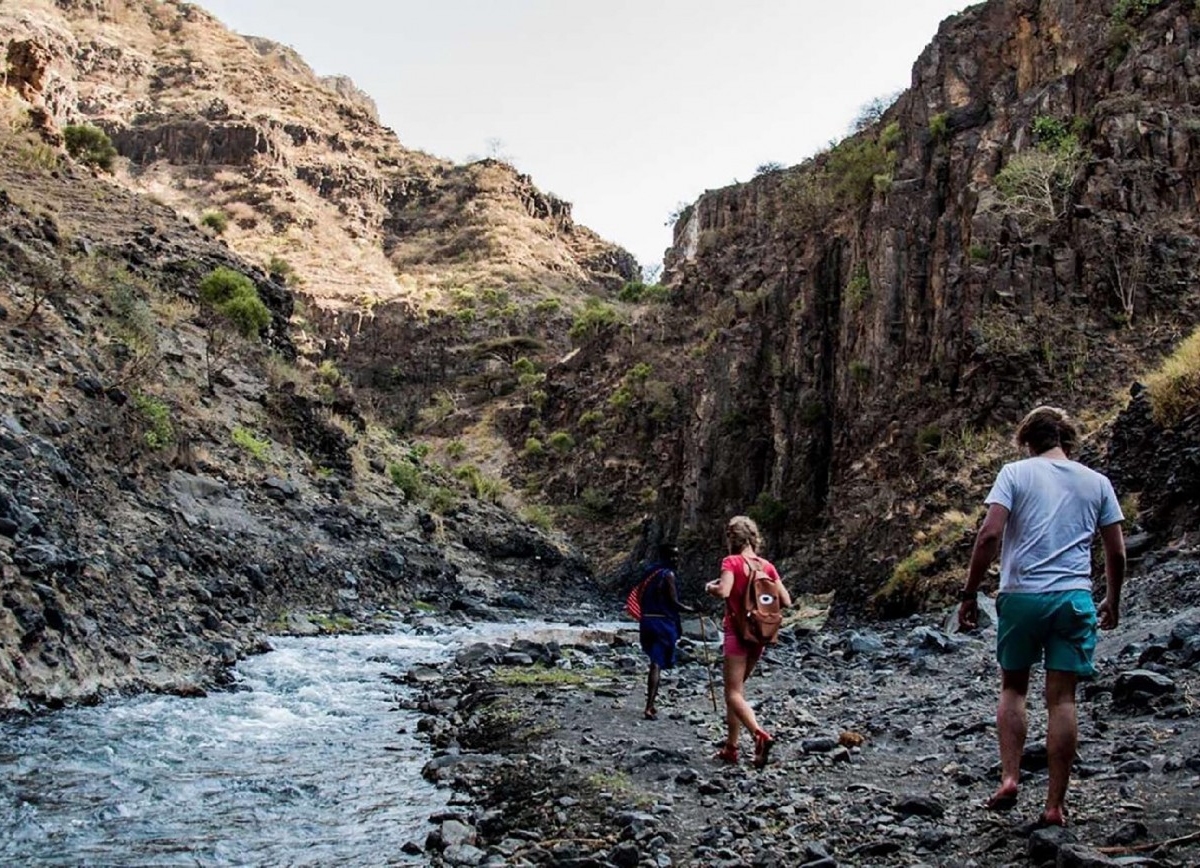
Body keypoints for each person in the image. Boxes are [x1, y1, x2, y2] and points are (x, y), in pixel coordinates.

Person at [958, 406, 1126, 827]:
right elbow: (1116, 552)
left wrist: (969, 592)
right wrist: (1113, 600)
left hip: (1021, 597)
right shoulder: (1097, 482)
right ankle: (1054, 805)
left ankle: (1010, 776)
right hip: (1073, 598)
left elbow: (990, 535)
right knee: (1063, 699)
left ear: (1027, 440)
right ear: (1066, 439)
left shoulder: (1014, 474)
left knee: (1014, 687)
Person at [705, 515, 790, 767]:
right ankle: (731, 748)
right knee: (737, 692)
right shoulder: (767, 566)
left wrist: (710, 587)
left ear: (732, 538)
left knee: (732, 693)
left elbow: (724, 591)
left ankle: (759, 735)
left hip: (737, 633)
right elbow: (785, 600)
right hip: (760, 633)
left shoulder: (731, 561)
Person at [638, 542, 694, 720]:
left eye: (677, 556)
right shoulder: (667, 575)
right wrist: (694, 610)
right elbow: (674, 603)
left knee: (655, 661)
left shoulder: (648, 573)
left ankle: (651, 705)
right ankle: (649, 707)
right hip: (662, 624)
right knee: (656, 663)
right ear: (666, 557)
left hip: (647, 621)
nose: (676, 560)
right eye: (673, 556)